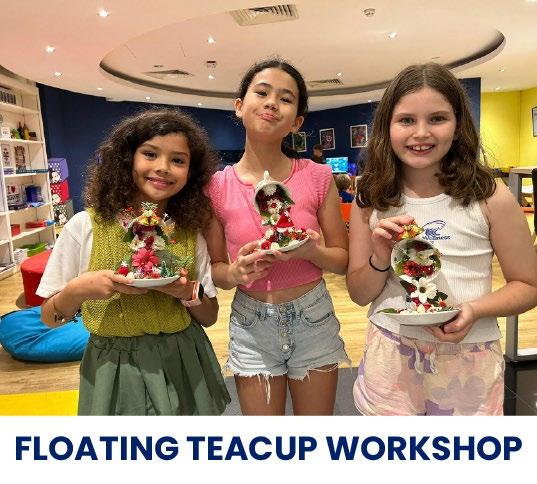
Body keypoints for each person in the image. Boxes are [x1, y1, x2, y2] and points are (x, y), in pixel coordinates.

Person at [346, 63, 537, 416]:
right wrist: (379, 257)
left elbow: (529, 285)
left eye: (437, 118)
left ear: (458, 124)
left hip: (469, 358)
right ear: (387, 127)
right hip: (390, 355)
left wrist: (474, 310)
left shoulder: (489, 197)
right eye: (406, 120)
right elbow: (358, 294)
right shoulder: (371, 197)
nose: (421, 133)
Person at [37, 108, 231, 415]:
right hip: (113, 367)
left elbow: (209, 317)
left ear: (191, 172)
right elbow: (49, 318)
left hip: (183, 360)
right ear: (126, 159)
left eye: (178, 160)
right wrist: (78, 290)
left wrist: (187, 292)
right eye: (150, 154)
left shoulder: (189, 233)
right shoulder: (85, 226)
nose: (163, 167)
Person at [205, 58, 350, 415]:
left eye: (285, 99)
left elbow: (342, 260)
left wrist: (311, 252)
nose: (272, 103)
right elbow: (216, 271)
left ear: (296, 121)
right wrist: (236, 272)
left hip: (313, 317)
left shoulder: (317, 176)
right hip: (251, 323)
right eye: (262, 93)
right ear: (239, 106)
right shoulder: (216, 186)